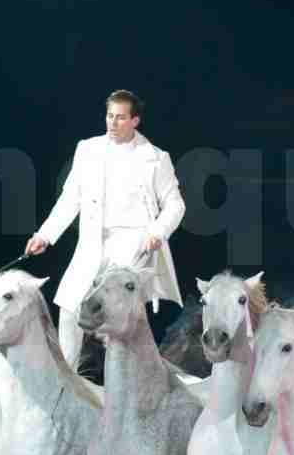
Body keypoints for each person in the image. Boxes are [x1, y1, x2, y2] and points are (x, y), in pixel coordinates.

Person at [26, 89, 186, 366]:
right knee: (70, 307)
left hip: (132, 244)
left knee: (116, 314)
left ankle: (126, 380)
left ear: (135, 121)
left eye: (121, 118)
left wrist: (158, 232)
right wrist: (45, 235)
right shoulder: (88, 149)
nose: (113, 123)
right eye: (110, 116)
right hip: (92, 242)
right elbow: (69, 199)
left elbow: (175, 204)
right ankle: (68, 377)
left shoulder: (155, 158)